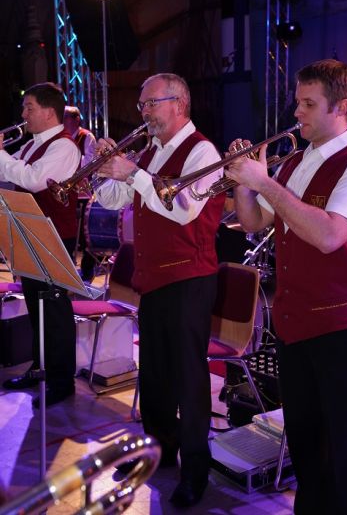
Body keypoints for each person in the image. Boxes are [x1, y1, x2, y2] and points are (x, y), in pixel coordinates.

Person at [225, 59, 347, 515]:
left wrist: (265, 182)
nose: (296, 112)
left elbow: (328, 235)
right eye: (297, 102)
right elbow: (254, 222)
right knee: (307, 442)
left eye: (308, 104)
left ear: (341, 107)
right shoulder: (297, 161)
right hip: (296, 319)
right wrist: (244, 183)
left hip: (346, 324)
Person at [94, 73, 225, 507]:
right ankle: (160, 451)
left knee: (188, 378)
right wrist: (107, 169)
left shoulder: (202, 151)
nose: (144, 111)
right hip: (154, 277)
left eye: (151, 103)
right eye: (142, 105)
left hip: (189, 278)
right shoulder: (152, 150)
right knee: (154, 375)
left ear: (179, 104)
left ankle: (196, 469)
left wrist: (134, 173)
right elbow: (114, 201)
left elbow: (184, 210)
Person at [0, 82, 81, 408]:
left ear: (48, 112)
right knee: (36, 306)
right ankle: (40, 368)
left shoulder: (64, 147)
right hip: (31, 231)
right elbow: (11, 175)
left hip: (54, 235)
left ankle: (61, 381)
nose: (23, 114)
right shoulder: (33, 145)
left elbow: (33, 179)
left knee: (55, 310)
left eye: (29, 107)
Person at [63, 105, 97, 281]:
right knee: (66, 231)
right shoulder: (62, 138)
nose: (63, 122)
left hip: (83, 193)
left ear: (76, 119)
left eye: (66, 118)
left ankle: (87, 270)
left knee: (85, 235)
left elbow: (90, 162)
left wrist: (68, 156)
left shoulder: (86, 136)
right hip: (67, 193)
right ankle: (66, 269)